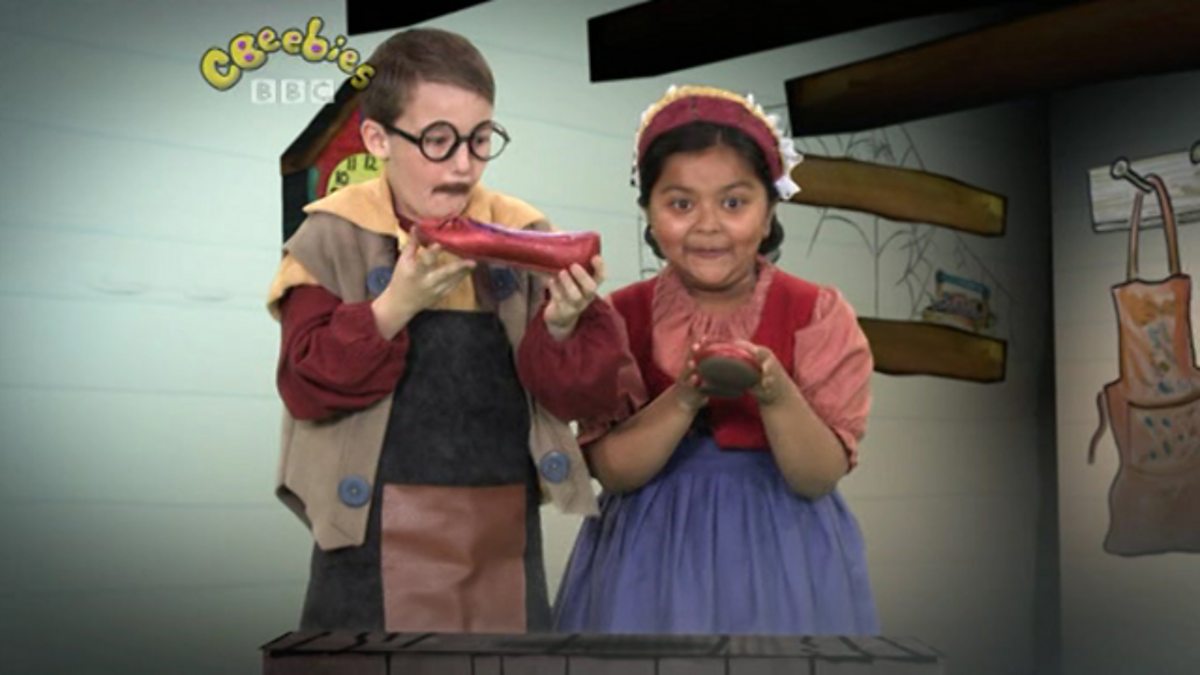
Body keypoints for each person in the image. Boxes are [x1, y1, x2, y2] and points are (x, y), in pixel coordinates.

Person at [265, 27, 601, 634]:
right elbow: (304, 385)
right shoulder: (329, 236)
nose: (464, 165)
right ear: (378, 139)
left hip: (501, 531)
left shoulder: (524, 230)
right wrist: (395, 306)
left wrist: (563, 326)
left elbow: (578, 396)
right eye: (438, 141)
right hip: (366, 537)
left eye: (480, 139)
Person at [517, 85, 880, 634]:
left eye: (734, 203)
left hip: (782, 554)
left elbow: (817, 477)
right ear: (649, 212)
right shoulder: (617, 318)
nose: (708, 224)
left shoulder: (817, 314)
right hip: (646, 557)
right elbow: (613, 473)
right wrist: (684, 396)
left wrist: (776, 392)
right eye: (681, 204)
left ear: (769, 211)